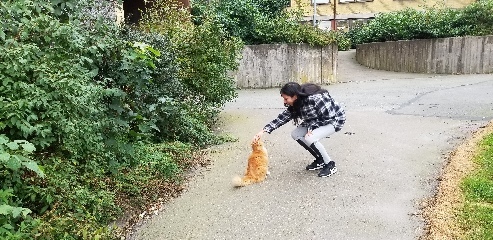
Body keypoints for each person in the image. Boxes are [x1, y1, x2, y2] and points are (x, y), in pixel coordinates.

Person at [252, 82, 346, 177]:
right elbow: (282, 117)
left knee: (310, 138)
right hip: (314, 121)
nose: (284, 102)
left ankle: (330, 164)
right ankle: (320, 159)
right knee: (296, 134)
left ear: (295, 96)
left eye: (286, 98)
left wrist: (312, 127)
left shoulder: (316, 98)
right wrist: (263, 130)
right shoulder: (297, 103)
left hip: (334, 120)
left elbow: (329, 117)